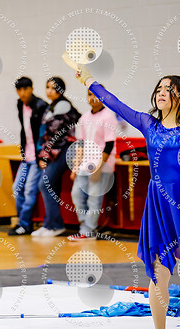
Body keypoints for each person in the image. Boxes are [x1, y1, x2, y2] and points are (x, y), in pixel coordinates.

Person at [76, 65, 180, 329]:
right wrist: (89, 80)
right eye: (159, 88)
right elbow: (114, 102)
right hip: (159, 203)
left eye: (168, 89)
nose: (161, 93)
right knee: (159, 269)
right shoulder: (148, 124)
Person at [32, 77, 80, 237]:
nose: (49, 91)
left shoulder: (64, 106)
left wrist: (45, 155)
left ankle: (56, 225)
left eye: (53, 88)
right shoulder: (51, 106)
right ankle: (48, 223)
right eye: (47, 87)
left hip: (63, 150)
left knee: (44, 183)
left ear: (60, 90)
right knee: (51, 186)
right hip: (53, 151)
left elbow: (55, 135)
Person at [68, 86, 118, 241]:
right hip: (85, 163)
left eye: (96, 94)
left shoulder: (108, 117)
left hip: (101, 165)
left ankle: (88, 230)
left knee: (94, 198)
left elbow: (109, 145)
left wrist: (99, 167)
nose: (92, 97)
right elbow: (80, 144)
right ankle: (85, 227)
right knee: (76, 194)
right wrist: (75, 167)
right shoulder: (84, 118)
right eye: (89, 94)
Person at [9, 77, 48, 236]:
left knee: (30, 190)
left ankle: (25, 225)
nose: (22, 93)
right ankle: (23, 222)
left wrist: (42, 155)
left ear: (32, 89)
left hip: (37, 157)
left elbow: (44, 133)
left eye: (25, 89)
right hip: (26, 155)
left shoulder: (41, 106)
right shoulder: (20, 104)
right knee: (17, 188)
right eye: (19, 90)